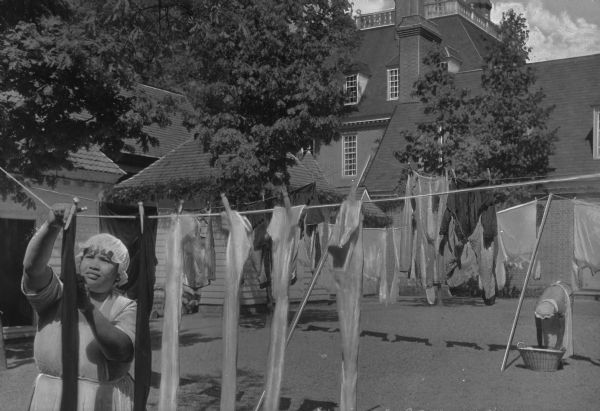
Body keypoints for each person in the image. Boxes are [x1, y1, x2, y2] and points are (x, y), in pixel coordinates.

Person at [22, 204, 137, 410]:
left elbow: (121, 351)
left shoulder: (125, 307)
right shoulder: (58, 294)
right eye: (89, 256)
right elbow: (33, 269)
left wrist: (88, 309)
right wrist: (51, 226)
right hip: (49, 397)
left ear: (119, 274)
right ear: (79, 262)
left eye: (105, 260)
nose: (94, 264)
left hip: (101, 400)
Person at [534, 281, 573, 357]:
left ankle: (561, 355)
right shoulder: (537, 308)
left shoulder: (560, 305)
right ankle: (548, 348)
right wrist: (540, 347)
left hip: (566, 293)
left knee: (558, 326)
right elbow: (539, 329)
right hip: (551, 296)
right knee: (547, 328)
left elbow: (562, 329)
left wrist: (557, 348)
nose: (544, 320)